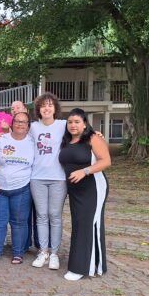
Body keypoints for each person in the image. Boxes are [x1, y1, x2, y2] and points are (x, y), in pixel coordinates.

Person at [59, 108, 111, 281]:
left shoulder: (93, 138)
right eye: (70, 122)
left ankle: (82, 267)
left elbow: (106, 161)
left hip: (93, 187)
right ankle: (92, 264)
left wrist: (85, 171)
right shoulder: (67, 140)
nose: (73, 125)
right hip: (75, 190)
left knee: (88, 225)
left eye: (77, 122)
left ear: (85, 124)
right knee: (80, 224)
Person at [0, 112, 34, 265]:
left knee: (19, 222)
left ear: (28, 125)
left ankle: (18, 253)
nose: (20, 124)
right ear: (12, 123)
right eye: (18, 121)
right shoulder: (1, 140)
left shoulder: (32, 143)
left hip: (22, 188)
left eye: (24, 122)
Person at [29, 93, 68, 270]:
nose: (46, 108)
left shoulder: (63, 125)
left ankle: (54, 254)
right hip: (37, 177)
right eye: (43, 106)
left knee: (55, 216)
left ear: (55, 109)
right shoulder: (33, 127)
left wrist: (96, 134)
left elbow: (81, 132)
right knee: (41, 216)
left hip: (58, 177)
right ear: (38, 109)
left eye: (50, 105)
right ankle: (43, 251)